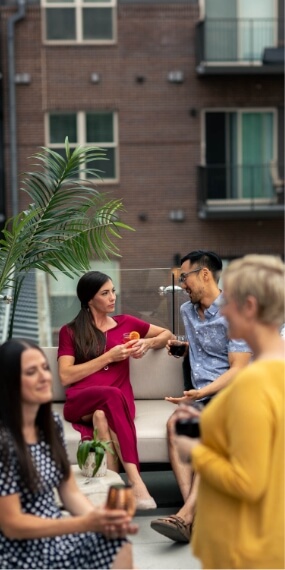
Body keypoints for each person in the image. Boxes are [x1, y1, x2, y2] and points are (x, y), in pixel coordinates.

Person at [173, 254, 285, 569]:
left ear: (249, 306)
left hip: (244, 552)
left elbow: (247, 481)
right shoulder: (276, 373)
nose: (221, 310)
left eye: (229, 302)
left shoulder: (252, 385)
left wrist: (195, 451)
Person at [0, 338, 138, 570]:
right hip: (19, 553)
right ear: (9, 383)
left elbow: (69, 492)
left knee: (118, 543)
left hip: (55, 538)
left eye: (44, 368)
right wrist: (85, 524)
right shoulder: (4, 441)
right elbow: (12, 524)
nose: (44, 377)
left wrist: (102, 521)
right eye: (31, 372)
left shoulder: (50, 425)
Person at [151, 250, 251, 542]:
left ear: (204, 274)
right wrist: (183, 348)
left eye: (184, 277)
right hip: (202, 395)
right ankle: (192, 516)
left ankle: (186, 517)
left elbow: (239, 368)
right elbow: (203, 349)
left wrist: (201, 392)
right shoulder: (186, 311)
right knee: (175, 425)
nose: (182, 284)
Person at [58, 270, 174, 510]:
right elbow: (65, 375)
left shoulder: (127, 323)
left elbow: (167, 334)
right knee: (109, 396)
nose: (112, 297)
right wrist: (108, 356)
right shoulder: (69, 331)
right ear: (89, 299)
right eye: (105, 293)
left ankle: (109, 494)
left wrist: (147, 342)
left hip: (118, 402)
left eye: (113, 291)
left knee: (103, 414)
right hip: (81, 402)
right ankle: (136, 482)